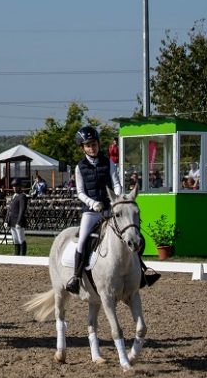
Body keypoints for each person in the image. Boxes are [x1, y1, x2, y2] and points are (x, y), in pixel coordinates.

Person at [66, 126, 158, 294]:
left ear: (98, 144)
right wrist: (92, 203)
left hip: (110, 209)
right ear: (83, 148)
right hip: (91, 212)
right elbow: (80, 192)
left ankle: (143, 270)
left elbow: (116, 182)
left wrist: (117, 197)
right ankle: (76, 277)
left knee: (133, 235)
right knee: (82, 241)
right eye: (88, 145)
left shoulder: (108, 162)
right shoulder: (80, 167)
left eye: (94, 144)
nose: (92, 148)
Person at [5, 184, 28, 256]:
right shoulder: (14, 196)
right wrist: (6, 220)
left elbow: (22, 210)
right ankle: (16, 254)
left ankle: (22, 255)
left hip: (18, 220)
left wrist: (19, 221)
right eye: (14, 186)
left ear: (19, 187)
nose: (14, 188)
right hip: (12, 220)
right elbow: (9, 210)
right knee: (15, 239)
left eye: (16, 186)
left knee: (21, 238)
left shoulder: (22, 196)